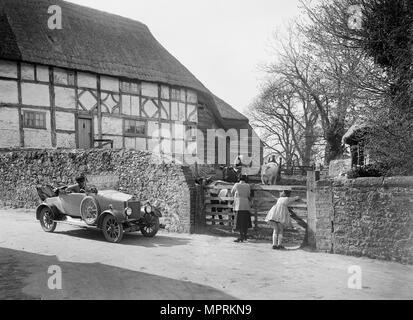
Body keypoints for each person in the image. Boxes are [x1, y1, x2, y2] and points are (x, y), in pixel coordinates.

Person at [231, 175, 252, 243]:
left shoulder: (236, 185)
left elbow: (232, 192)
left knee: (239, 222)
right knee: (245, 221)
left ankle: (241, 237)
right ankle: (245, 235)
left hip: (239, 205)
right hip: (246, 205)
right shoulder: (248, 185)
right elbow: (249, 195)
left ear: (239, 179)